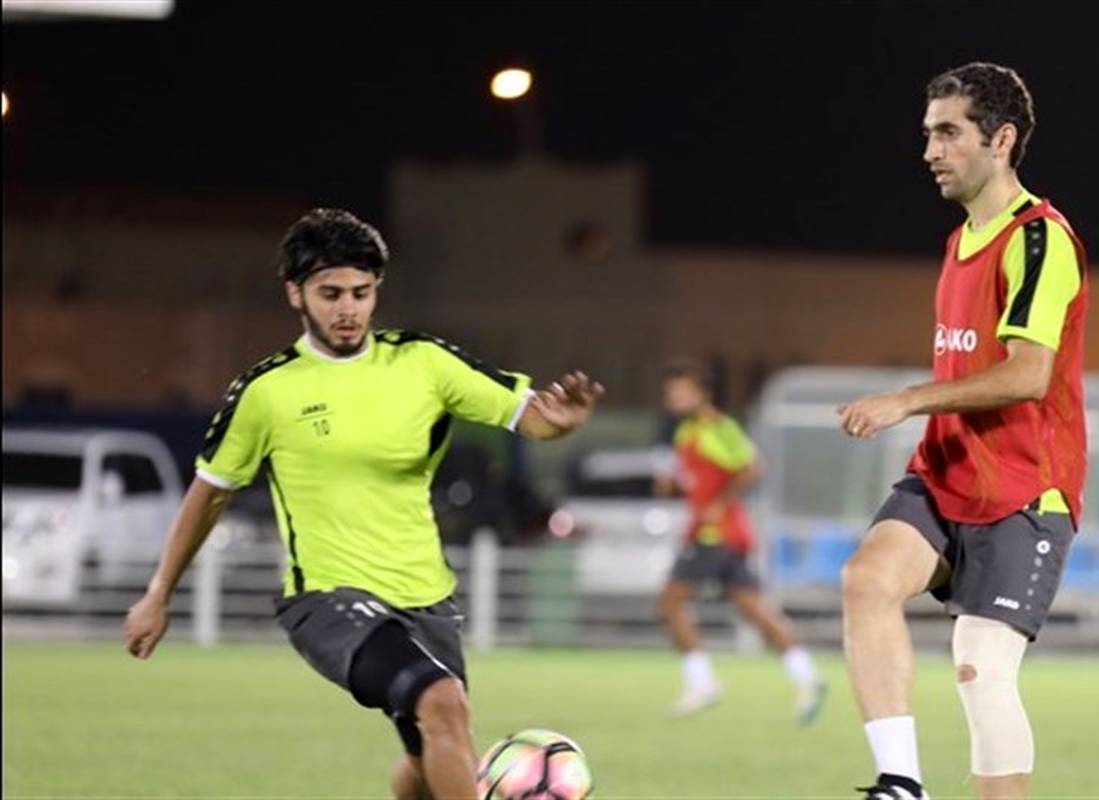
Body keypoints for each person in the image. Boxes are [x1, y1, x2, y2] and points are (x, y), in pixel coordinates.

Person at [123, 208, 604, 800]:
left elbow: (530, 417)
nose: (348, 308)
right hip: (328, 599)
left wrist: (561, 423)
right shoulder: (266, 391)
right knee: (442, 703)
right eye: (331, 294)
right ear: (296, 293)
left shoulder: (423, 362)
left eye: (361, 292)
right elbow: (209, 494)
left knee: (429, 760)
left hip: (425, 598)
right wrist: (159, 594)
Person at [837, 63, 1088, 800]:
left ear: (1001, 140)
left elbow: (1029, 375)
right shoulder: (959, 241)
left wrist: (908, 400)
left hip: (1024, 489)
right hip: (947, 471)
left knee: (980, 669)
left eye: (948, 133)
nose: (930, 151)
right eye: (928, 134)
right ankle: (901, 783)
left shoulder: (1040, 240)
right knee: (866, 580)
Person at [656, 358, 825, 722]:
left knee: (670, 601)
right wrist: (676, 485)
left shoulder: (717, 427)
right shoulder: (686, 433)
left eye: (682, 391)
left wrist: (719, 503)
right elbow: (701, 478)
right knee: (753, 608)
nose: (674, 398)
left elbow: (751, 467)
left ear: (703, 393)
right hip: (724, 534)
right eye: (671, 392)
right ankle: (807, 675)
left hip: (714, 534)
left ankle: (702, 683)